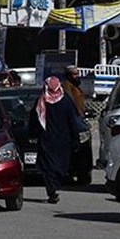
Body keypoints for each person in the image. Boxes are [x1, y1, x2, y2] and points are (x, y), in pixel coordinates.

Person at [29, 76, 81, 204]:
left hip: (49, 139)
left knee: (50, 167)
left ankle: (53, 189)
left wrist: (33, 134)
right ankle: (53, 190)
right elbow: (74, 121)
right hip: (62, 140)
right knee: (53, 166)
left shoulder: (42, 101)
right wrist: (76, 138)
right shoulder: (66, 101)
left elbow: (34, 121)